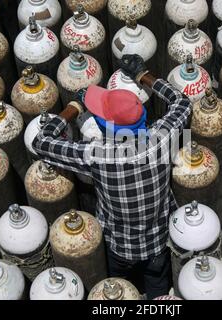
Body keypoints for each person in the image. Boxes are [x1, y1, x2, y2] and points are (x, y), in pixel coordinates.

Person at [32, 54, 192, 299]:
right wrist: (143, 75)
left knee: (119, 291)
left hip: (118, 248)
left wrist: (74, 107)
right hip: (158, 243)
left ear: (107, 127)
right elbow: (182, 102)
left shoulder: (98, 155)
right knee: (158, 288)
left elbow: (41, 142)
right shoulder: (161, 140)